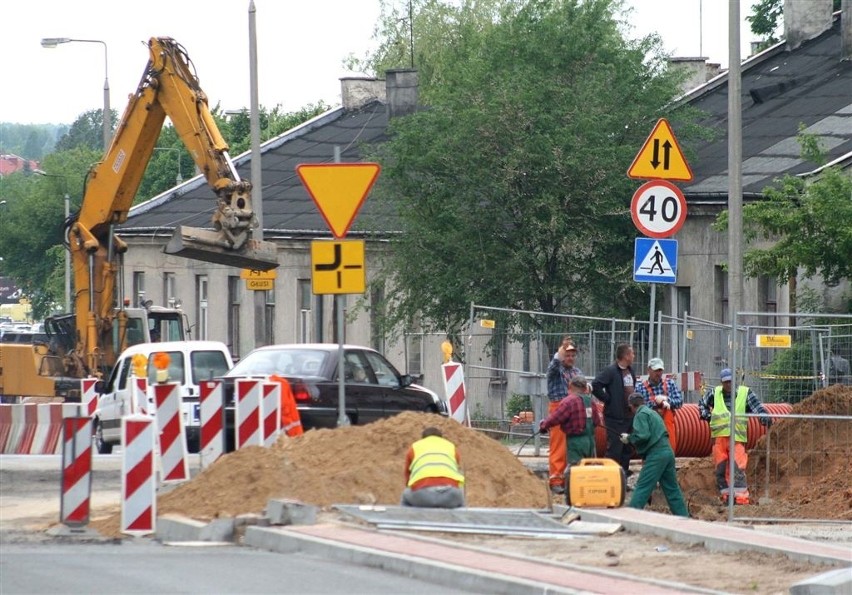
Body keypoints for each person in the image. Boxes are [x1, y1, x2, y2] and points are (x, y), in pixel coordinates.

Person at [698, 368, 772, 505]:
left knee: (737, 468)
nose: (728, 385)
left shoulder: (745, 393)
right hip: (719, 439)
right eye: (726, 382)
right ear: (722, 382)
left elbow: (757, 406)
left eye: (730, 381)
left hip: (737, 439)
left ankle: (741, 500)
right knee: (721, 470)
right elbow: (702, 404)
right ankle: (727, 499)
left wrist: (764, 416)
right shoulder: (715, 393)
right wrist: (706, 415)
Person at [620, 394, 689, 517]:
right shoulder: (652, 413)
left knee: (643, 486)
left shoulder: (640, 414)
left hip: (656, 455)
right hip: (667, 452)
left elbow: (643, 435)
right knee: (672, 489)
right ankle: (683, 517)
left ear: (631, 406)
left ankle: (631, 516)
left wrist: (629, 438)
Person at [592, 343, 637, 479]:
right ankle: (609, 479)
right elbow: (596, 385)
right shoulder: (611, 371)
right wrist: (608, 399)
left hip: (629, 417)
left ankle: (622, 479)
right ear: (625, 356)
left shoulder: (630, 370)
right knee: (614, 450)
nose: (634, 356)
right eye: (632, 353)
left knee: (627, 450)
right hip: (615, 418)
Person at [544, 337, 583, 494]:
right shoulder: (556, 370)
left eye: (573, 355)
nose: (570, 358)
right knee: (558, 447)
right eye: (567, 355)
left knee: (573, 445)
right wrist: (560, 351)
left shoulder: (577, 372)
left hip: (575, 410)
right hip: (559, 408)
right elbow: (553, 366)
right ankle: (556, 480)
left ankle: (570, 478)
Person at [539, 375, 601, 470]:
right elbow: (597, 421)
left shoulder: (568, 402)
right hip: (590, 442)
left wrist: (544, 425)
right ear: (585, 388)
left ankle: (574, 484)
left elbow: (556, 418)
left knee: (575, 470)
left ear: (570, 386)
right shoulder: (590, 402)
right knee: (589, 469)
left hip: (575, 442)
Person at [402, 427, 465, 508]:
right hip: (450, 494)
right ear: (441, 438)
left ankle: (406, 519)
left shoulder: (415, 447)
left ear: (423, 438)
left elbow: (407, 474)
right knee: (460, 503)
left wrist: (413, 487)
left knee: (405, 497)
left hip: (422, 494)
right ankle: (461, 519)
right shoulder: (451, 447)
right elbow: (455, 469)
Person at [634, 358, 683, 454]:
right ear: (648, 370)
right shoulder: (640, 387)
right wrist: (656, 402)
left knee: (668, 454)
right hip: (649, 429)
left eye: (660, 370)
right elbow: (638, 408)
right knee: (650, 456)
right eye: (656, 370)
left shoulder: (670, 383)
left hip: (667, 431)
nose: (658, 373)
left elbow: (679, 402)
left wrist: (666, 399)